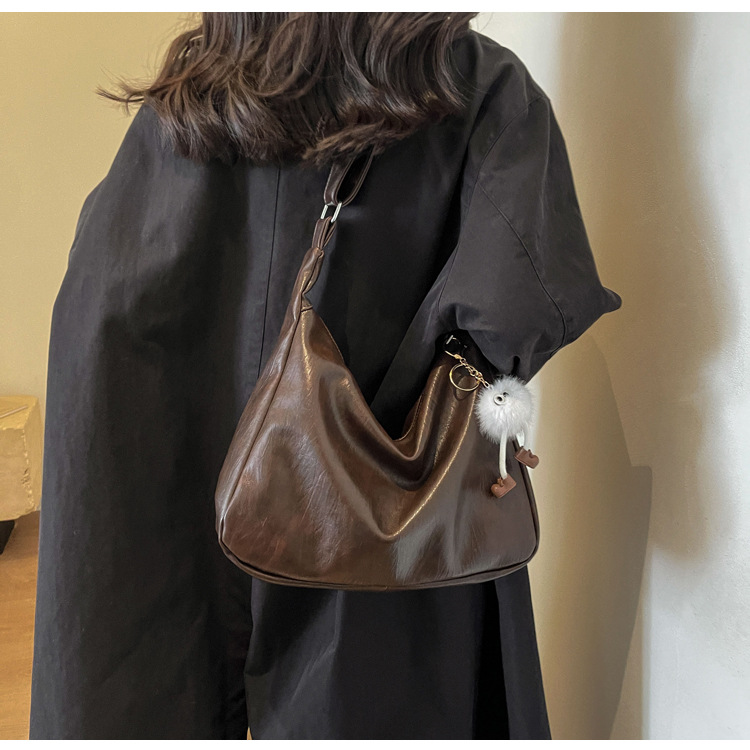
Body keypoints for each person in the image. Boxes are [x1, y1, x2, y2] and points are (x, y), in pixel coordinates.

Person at [29, 12, 622, 740]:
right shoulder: (478, 88)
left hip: (157, 433)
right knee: (368, 697)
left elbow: (102, 290)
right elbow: (520, 303)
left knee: (143, 677)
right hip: (375, 494)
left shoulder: (196, 89)